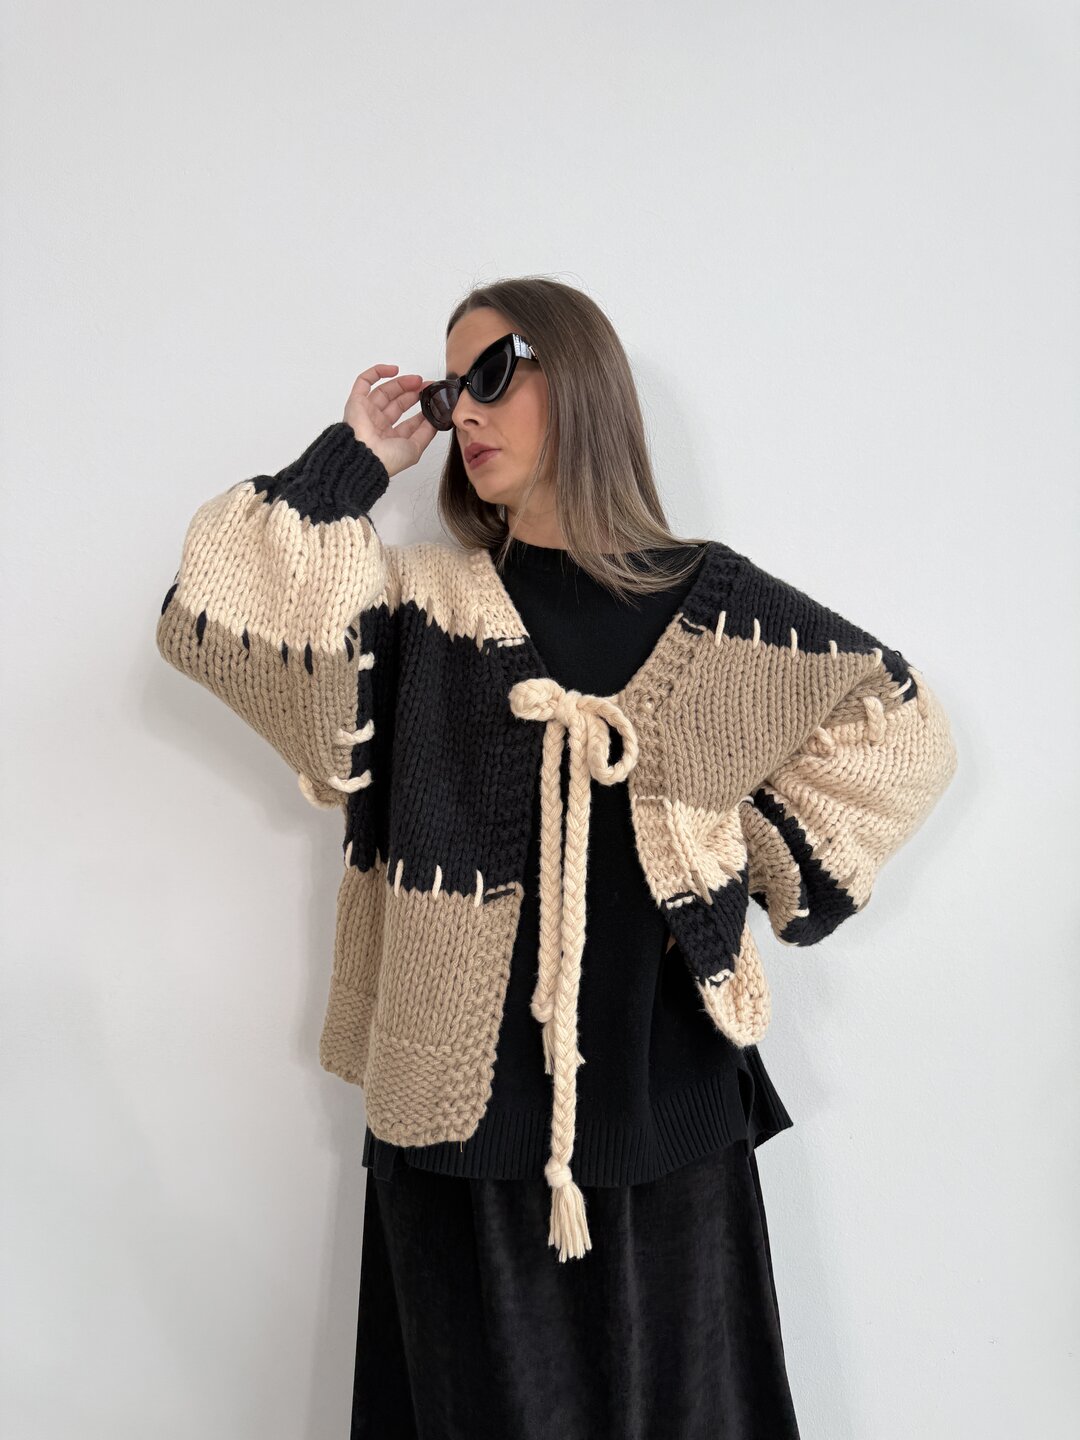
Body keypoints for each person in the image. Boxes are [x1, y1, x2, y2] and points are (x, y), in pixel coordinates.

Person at [155, 277, 958, 1439]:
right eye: (449, 393)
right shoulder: (416, 605)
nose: (464, 413)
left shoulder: (721, 609)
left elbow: (897, 725)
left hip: (673, 1113)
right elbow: (214, 621)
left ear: (579, 376)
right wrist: (353, 463)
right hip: (459, 1126)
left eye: (491, 373)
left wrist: (737, 864)